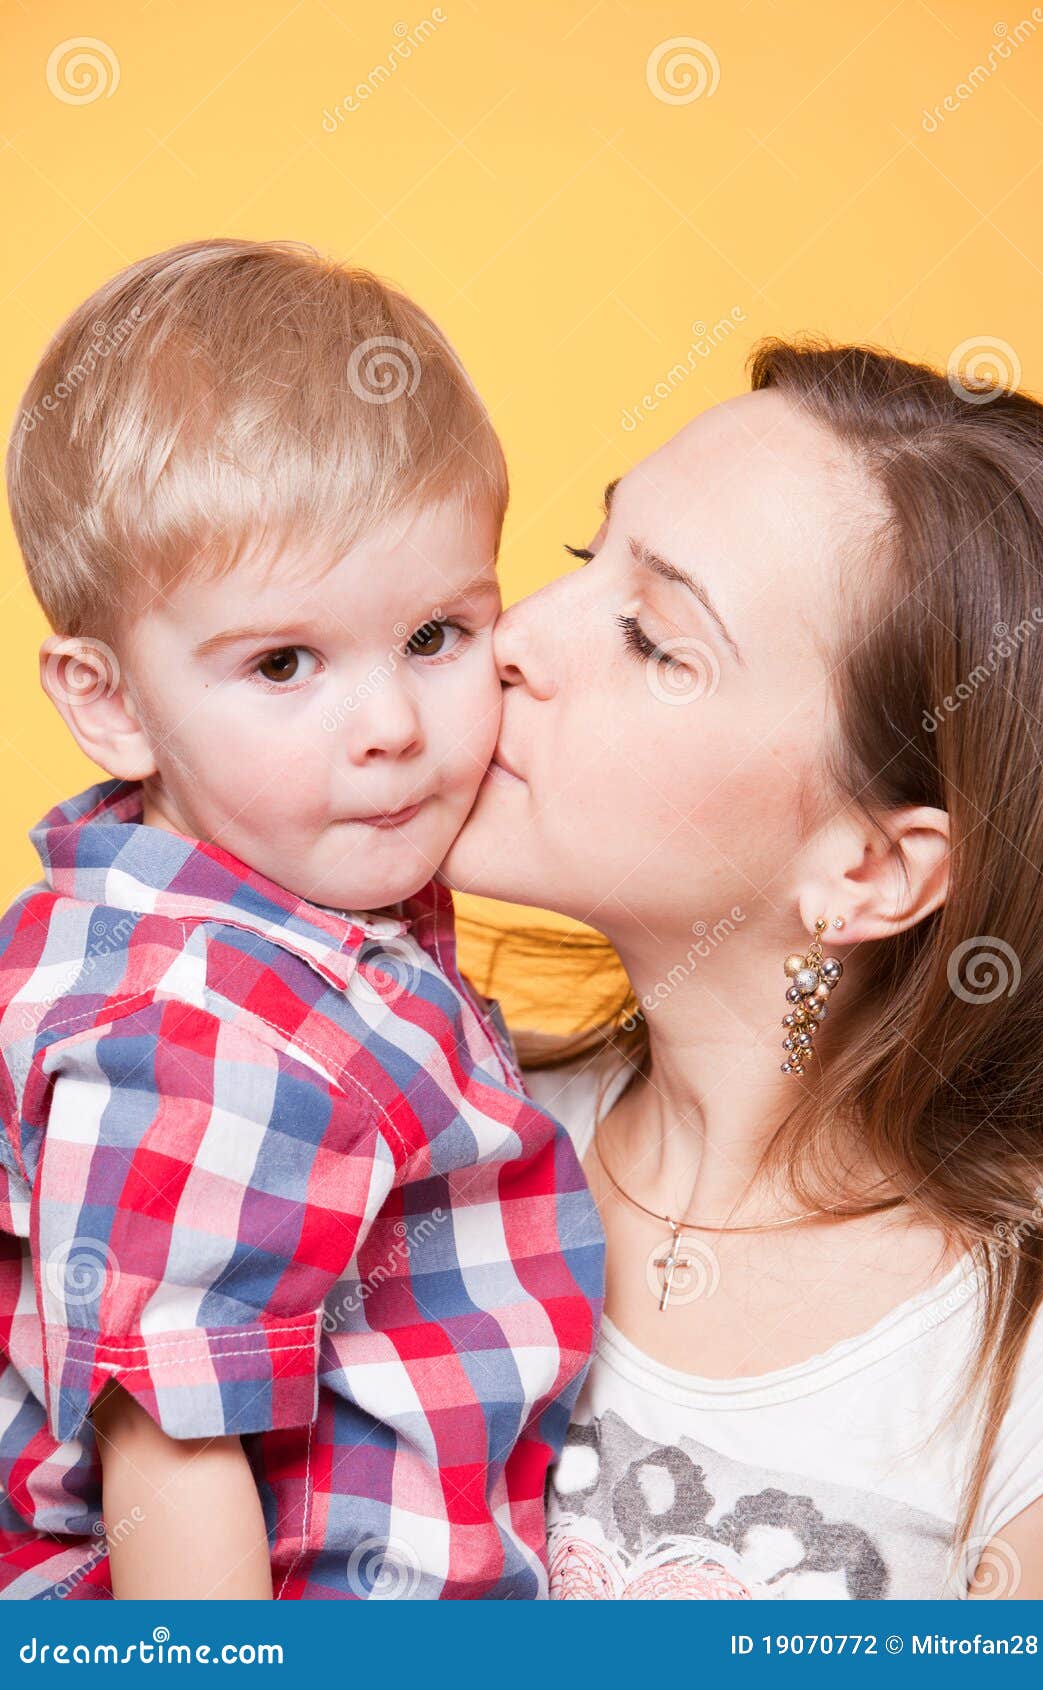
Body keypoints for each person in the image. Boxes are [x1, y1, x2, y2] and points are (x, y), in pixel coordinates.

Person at [0, 239, 604, 1600]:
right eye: (284, 662)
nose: (389, 726)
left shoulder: (300, 924)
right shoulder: (197, 1017)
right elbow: (167, 1447)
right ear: (108, 700)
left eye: (437, 635)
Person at [443, 340, 1043, 1600]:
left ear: (870, 872)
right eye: (582, 554)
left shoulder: (1032, 1359)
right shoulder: (420, 1141)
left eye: (649, 636)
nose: (509, 637)